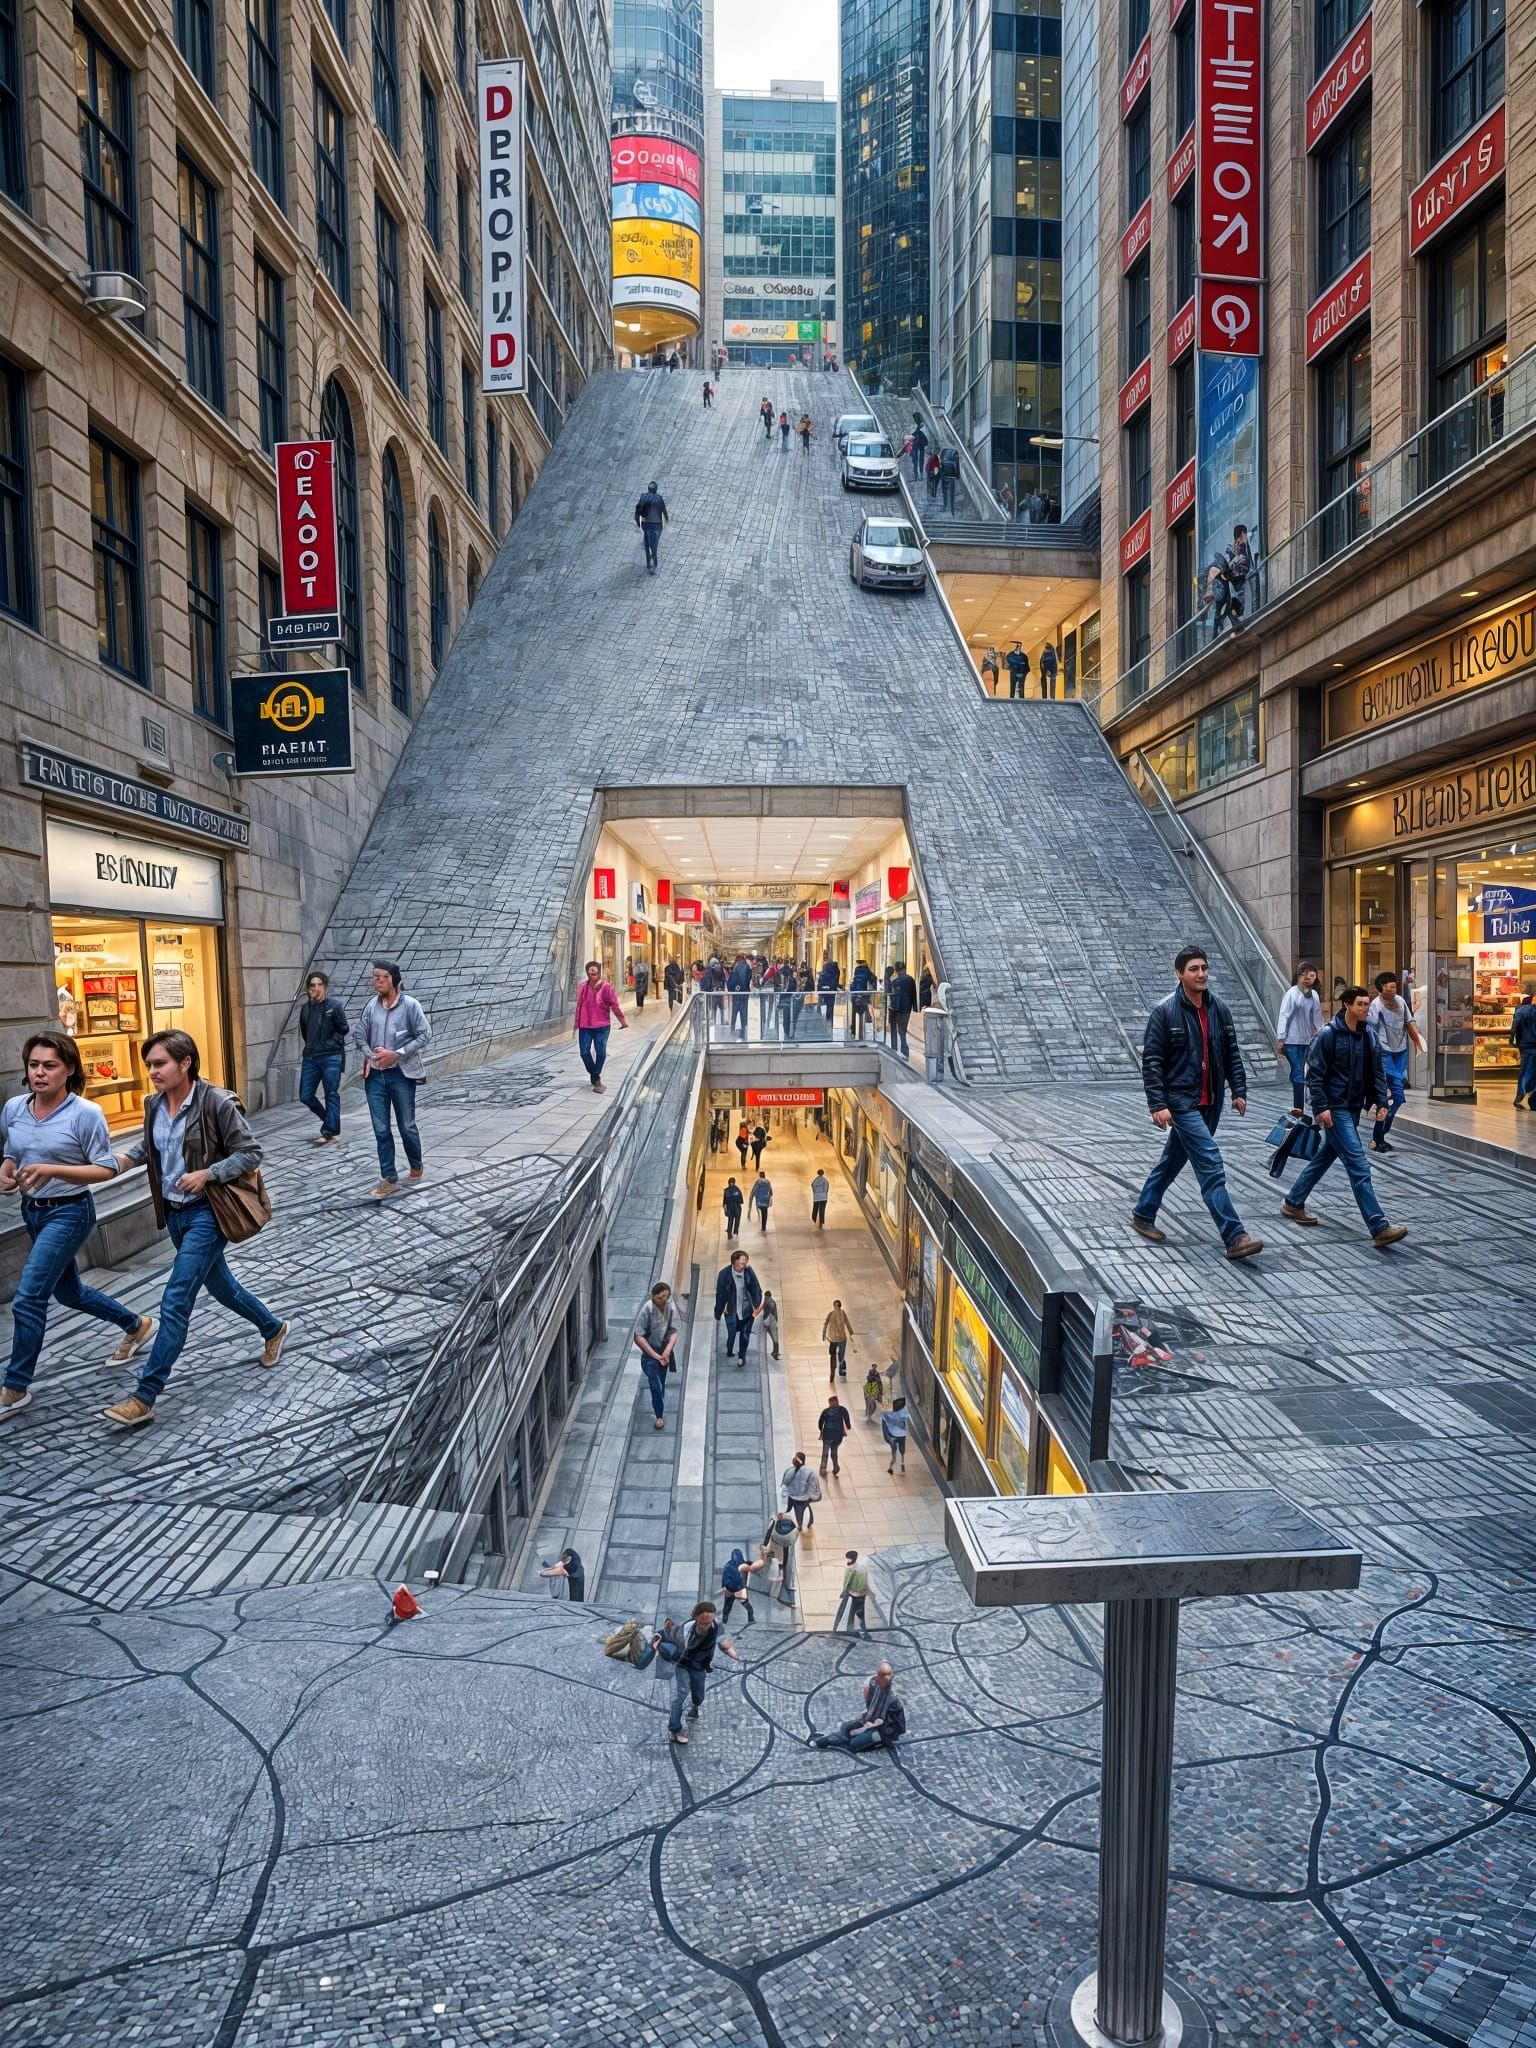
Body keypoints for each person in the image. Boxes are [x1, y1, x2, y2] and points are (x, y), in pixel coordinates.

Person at [105, 1030, 287, 1429]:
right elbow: (149, 1148)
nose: (152, 1072)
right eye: (149, 1065)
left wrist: (209, 1173)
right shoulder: (153, 1104)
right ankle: (273, 1328)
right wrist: (120, 1161)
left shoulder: (216, 1102)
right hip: (175, 1213)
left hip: (209, 1212)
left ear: (185, 1062)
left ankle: (144, 1396)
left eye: (160, 1063)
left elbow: (251, 1153)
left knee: (176, 1299)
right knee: (222, 1287)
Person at [0, 1031, 153, 1419]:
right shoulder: (15, 1107)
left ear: (68, 1069)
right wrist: (6, 1170)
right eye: (33, 1065)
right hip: (33, 1211)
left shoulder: (85, 1113)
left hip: (70, 1212)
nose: (39, 1073)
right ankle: (136, 1324)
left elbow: (104, 1168)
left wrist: (53, 1169)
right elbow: (12, 1152)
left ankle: (15, 1387)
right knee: (69, 1292)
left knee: (29, 1297)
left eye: (49, 1065)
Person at [1131, 946, 1262, 1260]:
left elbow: (1231, 1053)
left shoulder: (1219, 1009)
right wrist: (1157, 1104)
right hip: (1182, 1102)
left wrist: (1239, 1090)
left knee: (1172, 1161)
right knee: (1210, 1162)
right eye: (1193, 969)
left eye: (1204, 968)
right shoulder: (1165, 1012)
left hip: (1210, 1102)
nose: (1201, 974)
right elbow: (1152, 1062)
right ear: (1179, 974)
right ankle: (1235, 1235)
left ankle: (1143, 1212)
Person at [1282, 987, 1407, 1246]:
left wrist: (1381, 1102)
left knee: (1327, 1155)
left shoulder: (1368, 1035)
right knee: (1358, 1164)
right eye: (1360, 1004)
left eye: (1367, 1004)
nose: (1365, 1008)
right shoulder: (1329, 1034)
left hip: (1352, 1107)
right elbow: (1314, 1075)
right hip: (1335, 1107)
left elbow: (1376, 1071)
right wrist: (1321, 1108)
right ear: (1348, 1005)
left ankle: (1293, 1201)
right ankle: (1378, 1225)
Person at [353, 961, 433, 1200]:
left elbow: (425, 1034)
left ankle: (416, 1164)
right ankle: (389, 1178)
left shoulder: (410, 1006)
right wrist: (372, 1055)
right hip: (375, 1076)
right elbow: (359, 1035)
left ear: (394, 980)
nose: (378, 981)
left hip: (401, 1075)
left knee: (406, 1124)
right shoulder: (371, 1006)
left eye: (383, 977)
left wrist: (396, 1054)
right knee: (381, 1128)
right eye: (375, 976)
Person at [656, 1601, 742, 1744]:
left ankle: (694, 1707)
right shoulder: (685, 1629)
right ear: (696, 1617)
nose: (705, 1626)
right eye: (702, 1623)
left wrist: (734, 1654)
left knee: (699, 1695)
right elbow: (665, 1636)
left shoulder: (717, 1626)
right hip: (683, 1664)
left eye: (708, 1623)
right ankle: (675, 1729)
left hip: (699, 1666)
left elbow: (724, 1644)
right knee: (680, 1695)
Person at [1368, 971, 1425, 1151]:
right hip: (1383, 1054)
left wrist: (1418, 1040)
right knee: (1386, 1098)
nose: (1393, 990)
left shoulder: (1400, 1001)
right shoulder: (1375, 1006)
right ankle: (1378, 1139)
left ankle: (1382, 1132)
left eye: (1394, 986)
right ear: (1381, 988)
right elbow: (1370, 1031)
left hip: (1400, 1053)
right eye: (1389, 987)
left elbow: (1410, 1022)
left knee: (1398, 1098)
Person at [297, 971, 349, 1145]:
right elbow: (305, 1032)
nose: (316, 988)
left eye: (319, 984)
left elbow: (344, 1029)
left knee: (331, 1093)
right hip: (311, 1058)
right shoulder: (305, 1009)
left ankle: (328, 1131)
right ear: (308, 988)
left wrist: (330, 1043)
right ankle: (330, 1120)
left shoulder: (335, 1006)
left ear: (325, 987)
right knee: (305, 1095)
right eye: (313, 985)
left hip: (331, 1057)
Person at [810, 1662, 905, 1752]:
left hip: (883, 1730)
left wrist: (867, 1727)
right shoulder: (876, 1685)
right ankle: (824, 1741)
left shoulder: (892, 1698)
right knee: (847, 1728)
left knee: (854, 1744)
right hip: (870, 1720)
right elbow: (870, 1703)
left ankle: (875, 1741)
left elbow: (882, 1720)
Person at [1276, 963, 1324, 1113]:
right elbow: (1284, 1015)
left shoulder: (1314, 995)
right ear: (1299, 976)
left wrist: (1322, 1034)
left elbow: (1317, 1017)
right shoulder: (1291, 994)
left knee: (1305, 1072)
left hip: (1307, 1041)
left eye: (1312, 975)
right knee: (1298, 1071)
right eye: (1305, 974)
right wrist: (1281, 1038)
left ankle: (1305, 1106)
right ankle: (1299, 1107)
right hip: (1291, 1041)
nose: (1308, 978)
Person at [574, 959, 627, 1095]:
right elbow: (579, 1006)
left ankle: (595, 1077)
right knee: (584, 1052)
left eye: (595, 973)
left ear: (599, 973)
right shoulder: (582, 987)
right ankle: (595, 1076)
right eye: (590, 974)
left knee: (601, 1052)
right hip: (585, 1025)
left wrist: (622, 1021)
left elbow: (614, 1005)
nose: (593, 976)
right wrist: (576, 1023)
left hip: (602, 1025)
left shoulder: (606, 987)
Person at [633, 1279, 681, 1427]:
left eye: (666, 1296)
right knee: (655, 1384)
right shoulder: (647, 1309)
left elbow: (674, 1331)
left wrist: (666, 1352)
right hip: (650, 1354)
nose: (664, 1300)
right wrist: (655, 1356)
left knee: (661, 1383)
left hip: (664, 1351)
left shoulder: (671, 1307)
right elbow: (638, 1336)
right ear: (653, 1296)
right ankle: (659, 1415)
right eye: (660, 1297)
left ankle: (659, 1408)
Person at [714, 1247, 763, 1365]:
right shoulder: (724, 1275)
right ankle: (729, 1349)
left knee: (745, 1334)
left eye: (746, 1262)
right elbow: (720, 1295)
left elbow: (756, 1288)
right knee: (731, 1333)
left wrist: (756, 1305)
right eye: (742, 1263)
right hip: (731, 1311)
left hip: (746, 1310)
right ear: (734, 1263)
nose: (745, 1265)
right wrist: (718, 1312)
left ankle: (741, 1356)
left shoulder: (748, 1272)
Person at [1212, 523, 1255, 633]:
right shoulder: (1231, 548)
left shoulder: (1246, 546)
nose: (1246, 537)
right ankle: (1224, 625)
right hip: (1235, 586)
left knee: (1242, 606)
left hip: (1245, 583)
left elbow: (1249, 563)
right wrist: (1236, 557)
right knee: (1233, 607)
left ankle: (1233, 621)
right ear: (1242, 534)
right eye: (1245, 534)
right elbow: (1225, 567)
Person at [761, 1509, 799, 1599]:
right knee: (785, 1559)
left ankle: (775, 1590)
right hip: (787, 1541)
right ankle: (787, 1582)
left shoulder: (774, 1520)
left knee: (777, 1557)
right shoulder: (793, 1520)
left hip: (777, 1541)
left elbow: (768, 1533)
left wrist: (764, 1544)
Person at [720, 1547, 762, 1627]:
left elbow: (724, 1577)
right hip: (739, 1589)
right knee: (747, 1605)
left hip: (729, 1589)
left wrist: (724, 1587)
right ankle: (751, 1619)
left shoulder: (728, 1564)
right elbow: (753, 1568)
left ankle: (723, 1623)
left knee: (727, 1608)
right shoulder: (743, 1564)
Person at [634, 480, 669, 575]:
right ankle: (654, 563)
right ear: (656, 489)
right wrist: (666, 520)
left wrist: (639, 523)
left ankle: (649, 563)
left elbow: (637, 511)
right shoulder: (659, 498)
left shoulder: (643, 497)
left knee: (647, 545)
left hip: (647, 525)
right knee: (654, 546)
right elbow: (664, 511)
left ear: (648, 489)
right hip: (657, 525)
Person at [781, 1449, 820, 1529]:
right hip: (805, 1499)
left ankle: (799, 1526)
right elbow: (815, 1487)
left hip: (793, 1498)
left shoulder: (789, 1471)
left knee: (795, 1513)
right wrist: (812, 1497)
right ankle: (808, 1523)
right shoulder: (810, 1472)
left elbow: (785, 1483)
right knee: (805, 1510)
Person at [835, 1551, 871, 1635]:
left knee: (850, 1612)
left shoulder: (851, 1569)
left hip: (853, 1593)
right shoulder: (862, 1568)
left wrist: (844, 1592)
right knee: (860, 1611)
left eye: (848, 1559)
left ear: (852, 1559)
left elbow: (847, 1582)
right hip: (862, 1594)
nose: (847, 1560)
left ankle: (850, 1629)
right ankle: (863, 1626)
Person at [818, 1388, 852, 1475]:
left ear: (829, 1403)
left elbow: (820, 1422)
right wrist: (848, 1427)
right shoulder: (842, 1409)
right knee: (834, 1451)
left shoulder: (826, 1411)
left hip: (827, 1434)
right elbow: (847, 1419)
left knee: (825, 1452)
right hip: (838, 1435)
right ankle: (835, 1467)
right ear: (837, 1402)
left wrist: (821, 1430)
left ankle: (823, 1468)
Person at [888, 962, 918, 1058]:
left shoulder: (894, 981)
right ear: (904, 969)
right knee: (902, 1030)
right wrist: (915, 1007)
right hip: (906, 1008)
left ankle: (894, 1048)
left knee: (893, 1029)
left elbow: (890, 995)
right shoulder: (911, 980)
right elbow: (914, 994)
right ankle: (904, 1050)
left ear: (896, 970)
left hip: (895, 1008)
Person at [1513, 992, 1536, 1109]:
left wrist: (1513, 1040)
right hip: (1531, 1045)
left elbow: (1514, 1027)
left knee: (1525, 1071)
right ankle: (1531, 1100)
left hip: (1525, 1045)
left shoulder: (1521, 1011)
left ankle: (1521, 1097)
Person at [823, 1298, 853, 1379]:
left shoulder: (842, 1313)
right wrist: (824, 1334)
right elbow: (825, 1324)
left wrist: (851, 1334)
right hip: (833, 1339)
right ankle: (835, 1368)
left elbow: (847, 1323)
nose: (836, 1308)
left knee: (841, 1356)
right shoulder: (831, 1314)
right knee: (833, 1354)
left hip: (841, 1338)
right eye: (835, 1306)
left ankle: (841, 1368)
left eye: (837, 1306)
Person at [850, 957, 877, 1040]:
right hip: (864, 996)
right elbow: (874, 980)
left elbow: (854, 983)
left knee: (855, 1013)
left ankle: (853, 1031)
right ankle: (866, 1033)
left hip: (855, 996)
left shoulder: (856, 970)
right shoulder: (867, 971)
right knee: (866, 1013)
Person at [727, 954, 752, 1039]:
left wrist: (731, 988)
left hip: (736, 994)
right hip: (745, 994)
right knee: (744, 1013)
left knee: (734, 1013)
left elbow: (731, 982)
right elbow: (749, 979)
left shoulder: (736, 967)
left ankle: (732, 1032)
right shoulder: (748, 967)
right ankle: (743, 1033)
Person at [882, 1396, 908, 1472]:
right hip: (900, 1435)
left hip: (893, 1436)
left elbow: (885, 1428)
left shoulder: (886, 1415)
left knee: (894, 1454)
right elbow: (904, 1425)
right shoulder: (903, 1414)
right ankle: (902, 1462)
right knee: (901, 1450)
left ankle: (891, 1467)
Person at [816, 955, 841, 1027]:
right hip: (831, 992)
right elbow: (834, 983)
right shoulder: (834, 972)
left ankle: (826, 1018)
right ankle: (830, 1020)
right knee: (831, 1005)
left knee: (826, 1004)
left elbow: (820, 983)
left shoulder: (825, 972)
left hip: (824, 992)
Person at [760, 1287, 781, 1358]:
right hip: (772, 1321)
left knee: (774, 1337)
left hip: (771, 1321)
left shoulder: (768, 1301)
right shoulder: (770, 1301)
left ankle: (775, 1352)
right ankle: (775, 1351)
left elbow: (771, 1309)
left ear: (766, 1295)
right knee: (774, 1337)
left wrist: (769, 1317)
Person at [722, 1175, 744, 1240]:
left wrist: (725, 1209)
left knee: (730, 1220)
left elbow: (724, 1202)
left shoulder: (726, 1190)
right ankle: (735, 1232)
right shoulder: (738, 1190)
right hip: (737, 1208)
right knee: (737, 1220)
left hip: (730, 1208)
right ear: (734, 1182)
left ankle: (729, 1234)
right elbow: (741, 1201)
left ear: (728, 1183)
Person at [938, 445, 959, 513]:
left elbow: (940, 463)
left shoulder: (944, 450)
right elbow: (957, 465)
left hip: (944, 475)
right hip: (952, 475)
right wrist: (957, 475)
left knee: (944, 491)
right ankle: (952, 509)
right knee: (952, 493)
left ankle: (945, 505)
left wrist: (940, 474)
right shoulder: (955, 451)